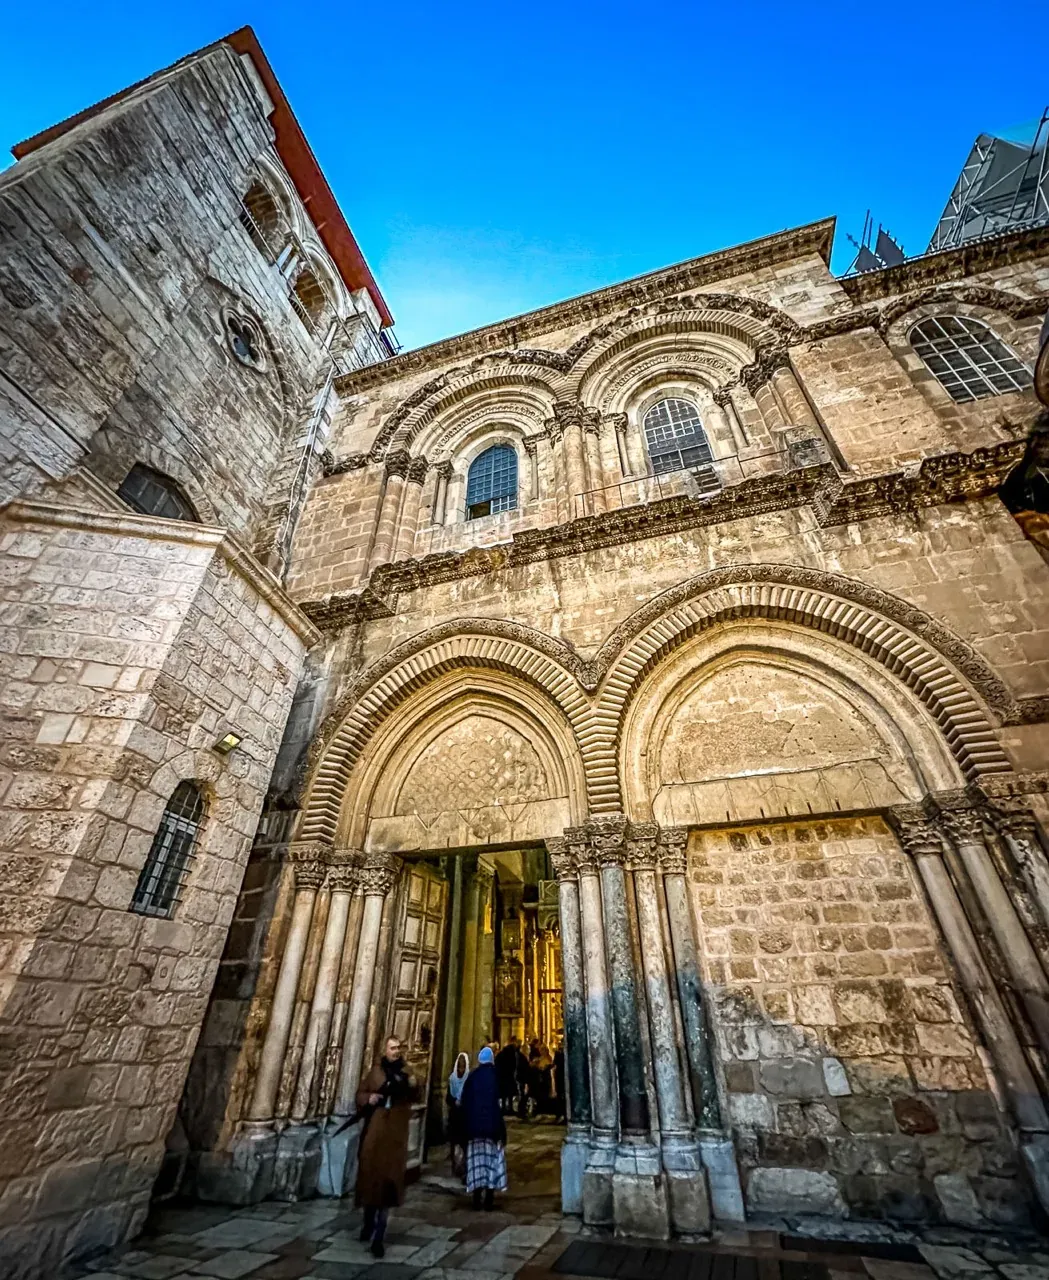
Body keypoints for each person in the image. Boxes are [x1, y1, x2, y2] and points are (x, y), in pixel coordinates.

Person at [355, 1036, 415, 1257]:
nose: (396, 1052)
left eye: (399, 1048)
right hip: (376, 1134)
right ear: (385, 1050)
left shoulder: (408, 1073)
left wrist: (413, 1085)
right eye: (392, 1048)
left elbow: (415, 1093)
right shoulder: (375, 1073)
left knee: (388, 1186)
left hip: (395, 1136)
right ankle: (368, 1223)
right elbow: (360, 1095)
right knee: (372, 1182)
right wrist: (368, 1098)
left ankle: (378, 1236)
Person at [460, 1045, 508, 1210]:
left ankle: (475, 1198)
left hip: (474, 1130)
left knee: (476, 1164)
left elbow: (464, 1103)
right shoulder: (496, 1076)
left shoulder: (472, 1077)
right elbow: (500, 1101)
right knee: (491, 1163)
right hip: (492, 1128)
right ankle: (489, 1198)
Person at [447, 1051, 469, 1179]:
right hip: (455, 1115)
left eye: (463, 1066)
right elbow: (447, 1098)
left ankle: (463, 1167)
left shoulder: (468, 1079)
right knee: (455, 1141)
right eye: (460, 1066)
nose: (461, 1069)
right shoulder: (452, 1079)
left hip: (463, 1115)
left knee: (463, 1142)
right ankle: (456, 1166)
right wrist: (454, 1101)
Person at [495, 1039, 518, 1114]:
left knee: (504, 1094)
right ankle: (510, 1107)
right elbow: (514, 1065)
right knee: (509, 1094)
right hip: (509, 1077)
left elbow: (496, 1064)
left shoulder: (501, 1054)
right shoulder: (511, 1055)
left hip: (502, 1077)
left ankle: (504, 1107)